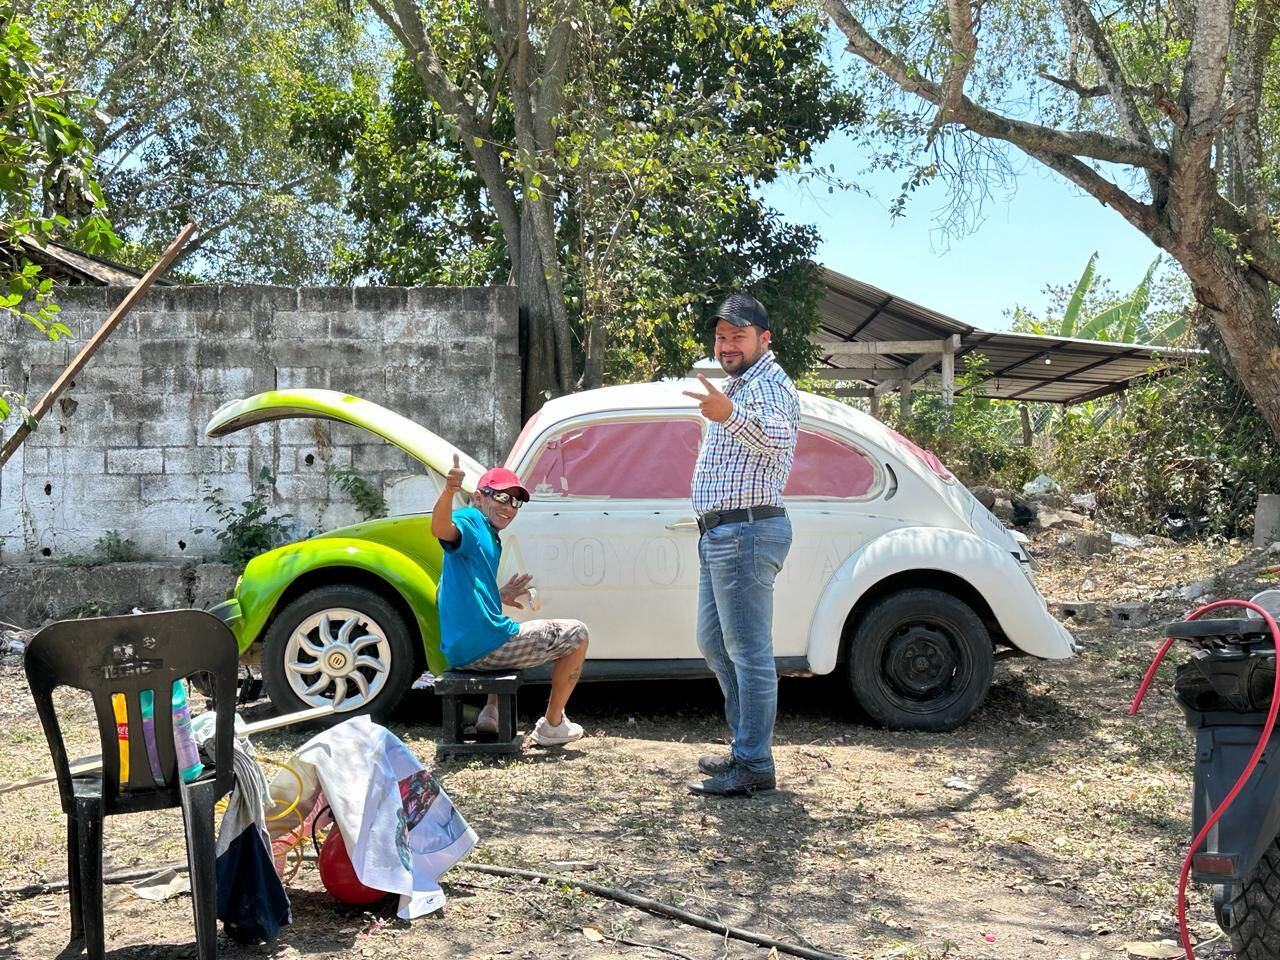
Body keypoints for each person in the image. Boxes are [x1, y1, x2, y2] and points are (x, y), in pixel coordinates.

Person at [682, 291, 800, 796]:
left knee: (749, 652)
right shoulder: (740, 385)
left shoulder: (768, 384)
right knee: (714, 642)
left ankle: (754, 764)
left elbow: (777, 442)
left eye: (739, 336)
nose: (727, 344)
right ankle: (745, 747)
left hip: (746, 531)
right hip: (723, 533)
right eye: (722, 336)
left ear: (764, 338)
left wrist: (728, 412)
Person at [430, 454, 589, 746]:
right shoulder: (472, 519)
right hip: (482, 647)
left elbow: (448, 591)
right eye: (502, 497)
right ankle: (553, 725)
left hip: (459, 649)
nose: (509, 507)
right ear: (478, 497)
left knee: (508, 626)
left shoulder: (489, 535)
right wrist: (449, 491)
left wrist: (499, 594)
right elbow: (442, 530)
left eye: (516, 502)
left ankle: (490, 713)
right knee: (577, 634)